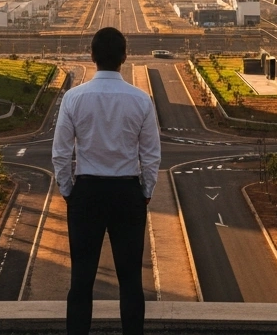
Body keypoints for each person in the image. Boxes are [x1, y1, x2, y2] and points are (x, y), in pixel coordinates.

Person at [51, 27, 160, 335]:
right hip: (127, 193)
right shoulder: (141, 100)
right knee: (131, 282)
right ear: (124, 57)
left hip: (86, 193)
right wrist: (146, 192)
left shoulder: (74, 98)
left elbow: (60, 154)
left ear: (92, 57)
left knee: (81, 281)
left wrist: (68, 191)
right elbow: (151, 155)